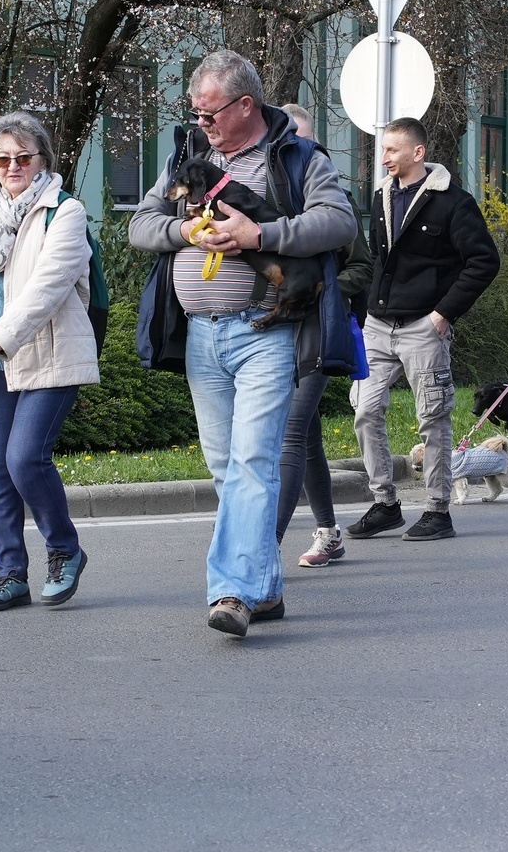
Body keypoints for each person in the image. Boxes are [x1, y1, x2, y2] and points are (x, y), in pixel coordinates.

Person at [131, 51, 357, 636]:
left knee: (254, 461)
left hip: (267, 331)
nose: (201, 123)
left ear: (246, 105)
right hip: (200, 335)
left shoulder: (298, 156)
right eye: (196, 113)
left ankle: (232, 593)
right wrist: (185, 229)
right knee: (225, 468)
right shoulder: (188, 157)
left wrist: (262, 234)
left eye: (210, 113)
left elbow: (339, 223)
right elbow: (141, 226)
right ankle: (267, 589)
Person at [0, 112, 99, 611]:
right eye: (2, 159)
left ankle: (65, 550)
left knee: (24, 459)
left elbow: (47, 289)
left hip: (50, 357)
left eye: (23, 157)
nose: (12, 167)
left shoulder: (66, 212)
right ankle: (10, 575)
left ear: (42, 160)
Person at [347, 116, 500, 542]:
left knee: (432, 419)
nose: (384, 157)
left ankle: (437, 510)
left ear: (418, 152)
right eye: (383, 149)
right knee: (365, 410)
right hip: (378, 325)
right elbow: (378, 260)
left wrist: (443, 313)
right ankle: (385, 504)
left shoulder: (454, 202)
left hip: (423, 327)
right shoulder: (381, 195)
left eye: (392, 149)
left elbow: (484, 261)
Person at [274, 103, 372, 568]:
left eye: (302, 139)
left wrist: (321, 291)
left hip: (318, 328)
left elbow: (362, 268)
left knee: (289, 431)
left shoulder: (336, 202)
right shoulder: (265, 195)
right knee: (307, 434)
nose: (294, 147)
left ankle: (262, 549)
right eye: (286, 140)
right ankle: (329, 532)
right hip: (274, 332)